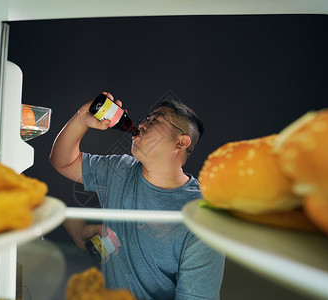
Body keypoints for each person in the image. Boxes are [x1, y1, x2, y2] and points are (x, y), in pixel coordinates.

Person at [50, 92, 225, 299]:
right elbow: (63, 162)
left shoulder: (202, 217)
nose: (141, 125)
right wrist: (81, 118)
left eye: (155, 121)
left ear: (180, 143)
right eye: (145, 119)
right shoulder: (120, 169)